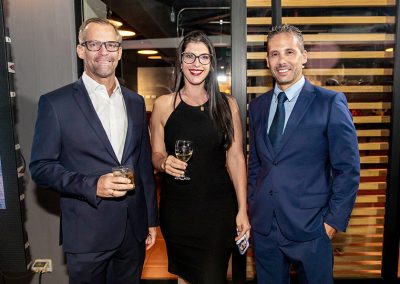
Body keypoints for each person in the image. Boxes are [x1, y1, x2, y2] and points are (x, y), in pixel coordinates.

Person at [29, 18, 158, 283]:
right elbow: (41, 168)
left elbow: (143, 166)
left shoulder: (135, 102)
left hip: (132, 230)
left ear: (119, 52)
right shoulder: (56, 103)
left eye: (111, 45)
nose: (104, 52)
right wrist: (91, 185)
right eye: (94, 44)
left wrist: (151, 220)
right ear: (81, 50)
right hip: (86, 233)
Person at [247, 24, 360, 284]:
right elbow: (257, 164)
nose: (282, 60)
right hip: (265, 227)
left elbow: (348, 168)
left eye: (289, 52)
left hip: (312, 227)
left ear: (304, 57)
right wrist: (255, 206)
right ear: (267, 60)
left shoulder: (330, 103)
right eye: (274, 54)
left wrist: (332, 222)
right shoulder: (258, 106)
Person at [150, 30, 251, 283]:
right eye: (190, 57)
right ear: (181, 62)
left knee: (210, 277)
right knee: (184, 277)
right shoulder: (164, 104)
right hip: (178, 211)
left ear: (211, 63)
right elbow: (155, 153)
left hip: (218, 212)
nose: (197, 64)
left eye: (204, 58)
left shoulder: (228, 105)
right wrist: (164, 162)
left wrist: (243, 210)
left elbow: (236, 159)